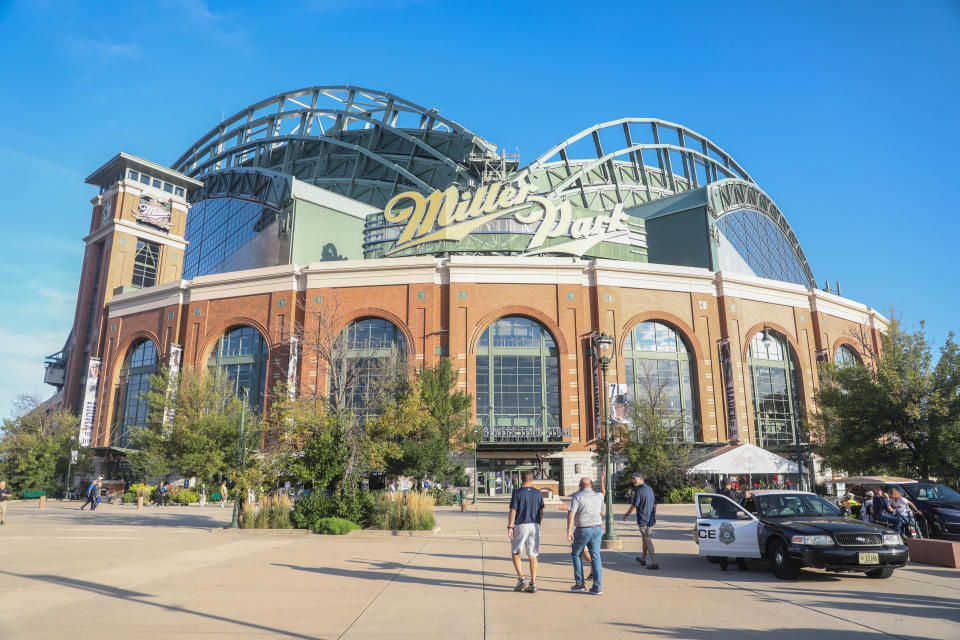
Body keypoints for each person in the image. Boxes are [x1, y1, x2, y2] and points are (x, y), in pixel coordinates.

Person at [507, 470, 544, 593]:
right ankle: (533, 583)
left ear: (521, 479)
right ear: (531, 479)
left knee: (516, 552)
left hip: (521, 525)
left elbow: (513, 511)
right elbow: (541, 511)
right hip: (535, 525)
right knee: (533, 554)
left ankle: (521, 578)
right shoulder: (538, 493)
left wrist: (510, 527)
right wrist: (539, 524)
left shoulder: (517, 493)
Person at [567, 475, 605, 594]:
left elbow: (571, 513)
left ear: (580, 486)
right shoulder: (599, 496)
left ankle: (580, 583)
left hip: (583, 528)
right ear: (591, 485)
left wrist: (569, 530)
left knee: (576, 553)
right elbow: (602, 512)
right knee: (596, 556)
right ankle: (597, 586)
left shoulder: (577, 496)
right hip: (597, 528)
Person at [622, 471, 659, 570]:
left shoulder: (639, 490)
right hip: (650, 518)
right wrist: (654, 516)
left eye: (635, 478)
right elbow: (654, 504)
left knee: (647, 540)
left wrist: (626, 514)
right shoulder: (650, 489)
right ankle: (643, 559)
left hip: (643, 519)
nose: (633, 480)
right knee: (644, 539)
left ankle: (654, 562)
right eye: (633, 478)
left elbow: (634, 505)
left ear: (641, 479)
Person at [715, 478, 751, 571]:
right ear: (729, 484)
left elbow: (713, 504)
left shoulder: (718, 494)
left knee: (723, 544)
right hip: (733, 521)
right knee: (738, 544)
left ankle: (723, 566)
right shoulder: (731, 493)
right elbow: (746, 495)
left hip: (720, 521)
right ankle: (741, 566)